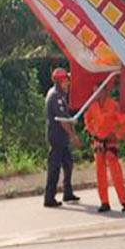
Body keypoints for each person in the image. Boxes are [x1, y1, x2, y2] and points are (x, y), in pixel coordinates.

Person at [84, 81, 125, 213]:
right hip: (99, 142)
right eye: (94, 92)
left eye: (98, 91)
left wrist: (117, 135)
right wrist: (93, 131)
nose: (96, 94)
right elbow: (87, 120)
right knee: (100, 173)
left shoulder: (113, 105)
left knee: (116, 172)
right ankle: (104, 202)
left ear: (104, 91)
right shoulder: (93, 106)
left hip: (110, 142)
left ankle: (124, 201)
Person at [44, 67, 82, 208]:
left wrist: (71, 120)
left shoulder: (59, 95)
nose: (68, 83)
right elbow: (61, 120)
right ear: (59, 81)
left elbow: (65, 118)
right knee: (55, 167)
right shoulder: (55, 97)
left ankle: (67, 192)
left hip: (61, 136)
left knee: (68, 163)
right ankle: (49, 197)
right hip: (57, 136)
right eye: (66, 81)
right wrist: (73, 136)